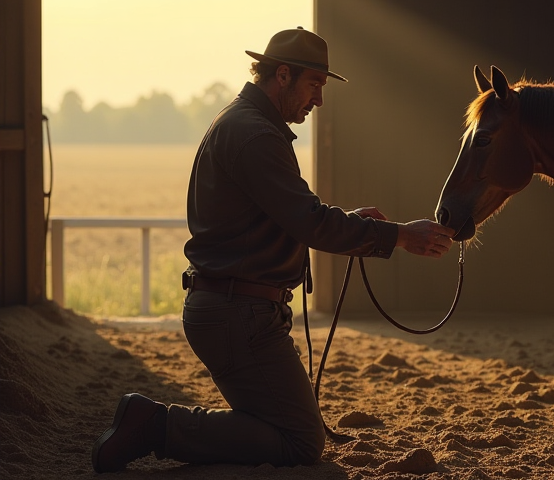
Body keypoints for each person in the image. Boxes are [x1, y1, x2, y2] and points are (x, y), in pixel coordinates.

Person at [91, 27, 455, 472]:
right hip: (238, 316)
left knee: (284, 428)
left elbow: (283, 218)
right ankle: (155, 425)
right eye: (314, 85)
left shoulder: (243, 123)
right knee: (302, 441)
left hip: (233, 310)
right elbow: (309, 221)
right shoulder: (256, 135)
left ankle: (154, 424)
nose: (319, 100)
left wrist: (356, 224)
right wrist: (399, 235)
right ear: (282, 75)